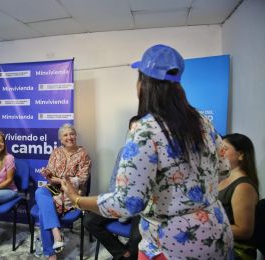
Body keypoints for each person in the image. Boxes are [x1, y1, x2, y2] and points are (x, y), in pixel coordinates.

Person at [60, 44, 234, 259]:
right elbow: (225, 170)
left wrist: (76, 198)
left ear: (143, 83)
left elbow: (127, 203)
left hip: (174, 243)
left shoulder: (145, 129)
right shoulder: (202, 121)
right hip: (216, 231)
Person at [84, 115, 141, 260]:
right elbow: (113, 180)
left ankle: (128, 254)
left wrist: (127, 211)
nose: (135, 133)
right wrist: (115, 204)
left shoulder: (152, 154)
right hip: (120, 201)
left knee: (135, 239)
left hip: (139, 209)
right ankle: (122, 253)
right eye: (132, 130)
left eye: (139, 129)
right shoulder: (123, 151)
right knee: (90, 221)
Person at [35, 123, 91, 260]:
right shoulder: (56, 152)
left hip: (72, 192)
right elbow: (51, 177)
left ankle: (51, 254)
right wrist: (47, 173)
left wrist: (62, 181)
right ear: (61, 139)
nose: (69, 137)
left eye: (71, 134)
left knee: (44, 212)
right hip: (55, 188)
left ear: (75, 136)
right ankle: (56, 233)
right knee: (39, 192)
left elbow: (82, 179)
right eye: (65, 135)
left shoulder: (83, 154)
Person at [219, 133, 259, 259]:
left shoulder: (243, 187)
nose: (219, 153)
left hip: (236, 251)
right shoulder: (219, 180)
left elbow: (244, 231)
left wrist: (207, 228)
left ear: (240, 155)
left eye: (224, 149)